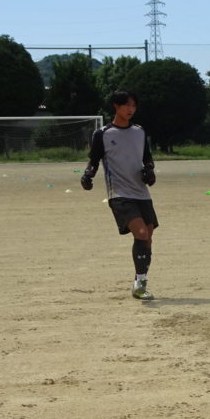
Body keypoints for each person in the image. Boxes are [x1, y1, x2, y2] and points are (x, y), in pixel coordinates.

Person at [80, 90, 158, 302]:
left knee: (148, 238)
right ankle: (141, 286)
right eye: (127, 105)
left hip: (141, 192)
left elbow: (148, 158)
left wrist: (150, 171)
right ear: (116, 105)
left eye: (134, 105)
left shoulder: (139, 131)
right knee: (141, 233)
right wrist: (87, 176)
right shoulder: (103, 134)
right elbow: (94, 161)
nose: (131, 109)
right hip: (119, 193)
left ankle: (139, 280)